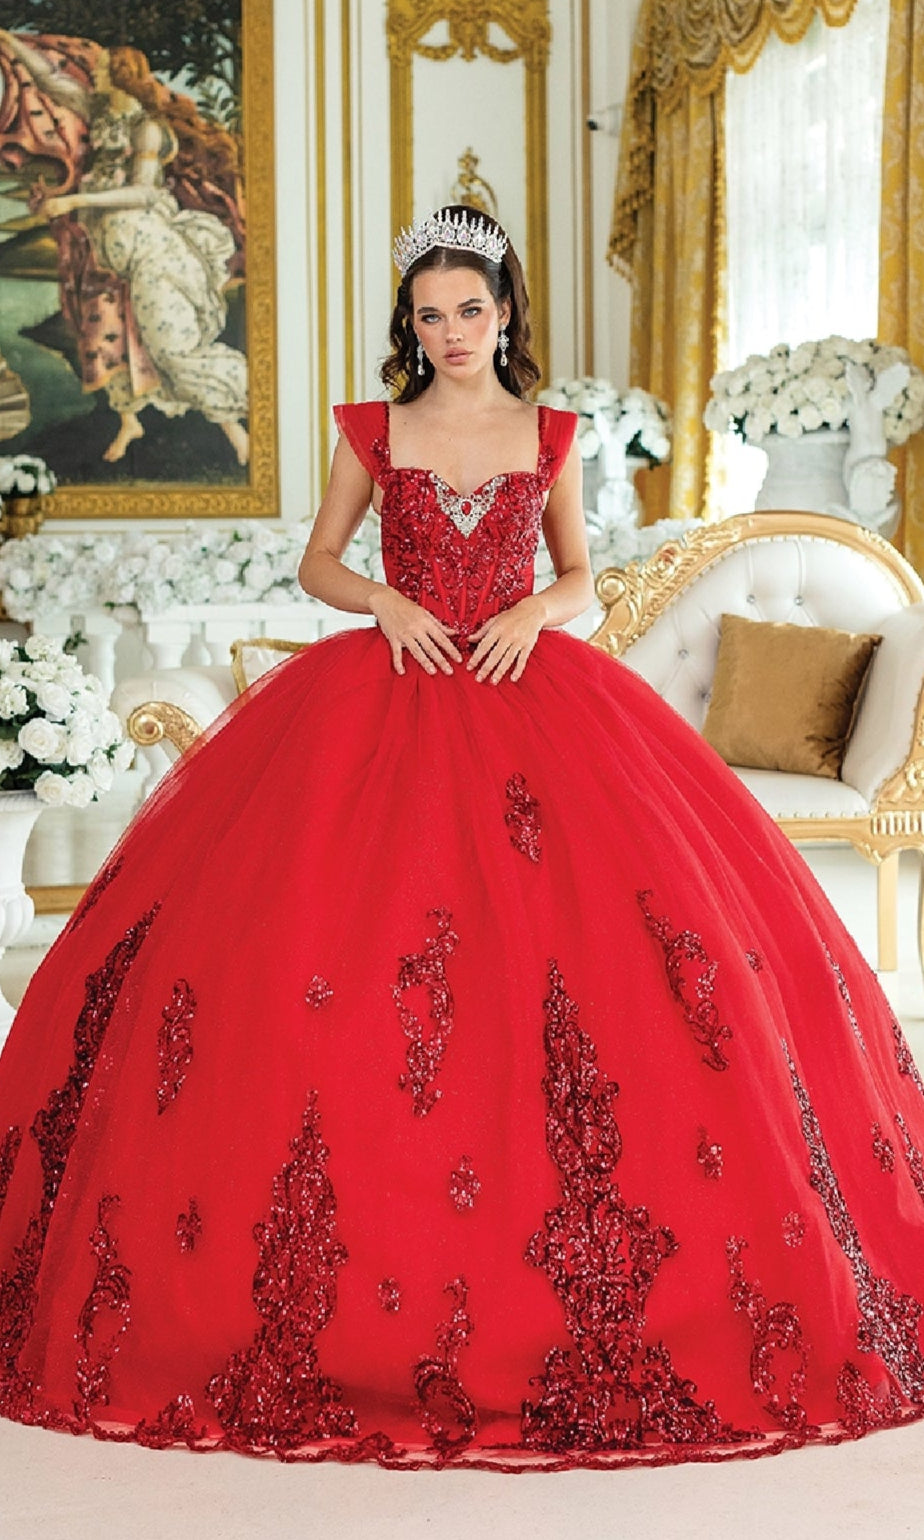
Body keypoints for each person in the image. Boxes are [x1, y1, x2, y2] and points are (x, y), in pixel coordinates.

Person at [1, 205, 924, 1471]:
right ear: (412, 324)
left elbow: (584, 573)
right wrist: (383, 600)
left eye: (469, 312)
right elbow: (321, 562)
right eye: (429, 316)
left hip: (527, 687)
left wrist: (539, 613)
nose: (448, 334)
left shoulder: (549, 432)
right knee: (330, 961)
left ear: (504, 314)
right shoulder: (372, 430)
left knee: (595, 966)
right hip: (384, 689)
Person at [0, 30, 248, 466]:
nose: (91, 75)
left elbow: (141, 194)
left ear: (120, 76)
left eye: (100, 70)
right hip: (109, 251)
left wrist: (74, 200)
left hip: (150, 251)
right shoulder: (101, 112)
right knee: (103, 334)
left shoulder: (146, 128)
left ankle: (236, 430)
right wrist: (8, 42)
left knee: (170, 347)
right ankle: (129, 421)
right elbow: (49, 78)